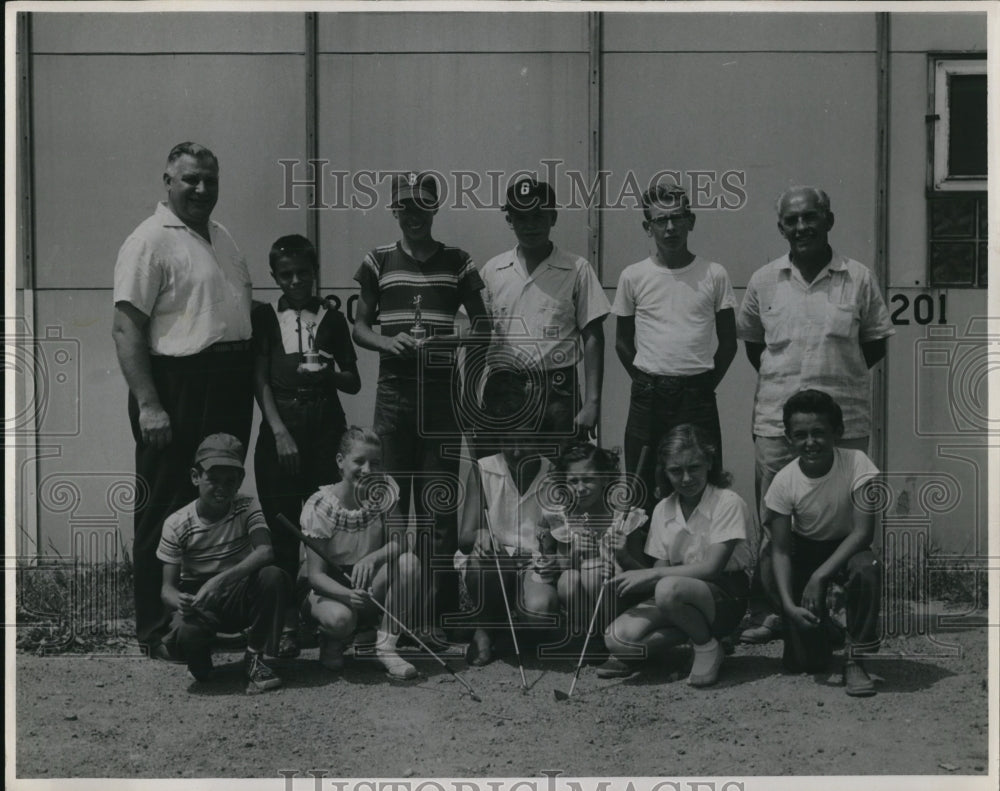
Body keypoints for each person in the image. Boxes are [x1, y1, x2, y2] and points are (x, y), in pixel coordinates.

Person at [112, 143, 255, 657]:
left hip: (228, 383)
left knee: (218, 503)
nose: (201, 190)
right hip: (177, 387)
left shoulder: (222, 237)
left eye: (210, 181)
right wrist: (149, 404)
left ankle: (205, 619)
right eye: (191, 180)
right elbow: (127, 327)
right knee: (166, 506)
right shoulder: (149, 240)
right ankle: (155, 629)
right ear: (167, 180)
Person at [736, 186, 894, 644]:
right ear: (780, 227)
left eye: (811, 217)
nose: (801, 227)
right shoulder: (764, 281)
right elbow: (754, 346)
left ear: (829, 219)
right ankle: (770, 608)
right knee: (775, 520)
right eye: (792, 220)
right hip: (776, 424)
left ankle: (841, 609)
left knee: (844, 522)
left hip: (842, 424)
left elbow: (875, 342)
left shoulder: (858, 278)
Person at [353, 171, 488, 642]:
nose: (413, 215)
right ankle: (392, 614)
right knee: (392, 506)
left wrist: (444, 341)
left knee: (438, 509)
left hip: (439, 395)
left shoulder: (458, 262)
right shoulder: (378, 261)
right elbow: (360, 327)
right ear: (394, 210)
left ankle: (438, 615)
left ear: (435, 209)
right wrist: (389, 344)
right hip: (393, 393)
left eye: (421, 206)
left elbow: (482, 329)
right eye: (404, 207)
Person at [252, 234, 360, 658]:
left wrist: (329, 375)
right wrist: (277, 429)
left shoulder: (332, 319)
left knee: (326, 528)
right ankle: (285, 625)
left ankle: (327, 619)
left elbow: (353, 381)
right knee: (283, 529)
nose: (295, 280)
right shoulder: (264, 319)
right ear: (274, 277)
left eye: (303, 272)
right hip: (282, 432)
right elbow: (258, 379)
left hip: (325, 431)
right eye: (286, 274)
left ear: (315, 272)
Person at [612, 182, 737, 515]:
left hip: (696, 395)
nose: (669, 228)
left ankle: (702, 562)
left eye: (677, 218)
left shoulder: (714, 274)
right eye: (660, 220)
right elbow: (622, 342)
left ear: (691, 221)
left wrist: (704, 383)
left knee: (702, 479)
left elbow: (728, 343)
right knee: (642, 483)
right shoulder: (633, 275)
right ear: (647, 226)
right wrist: (643, 380)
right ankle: (644, 562)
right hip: (648, 396)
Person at [602, 424, 752, 687]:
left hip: (726, 594)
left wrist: (652, 574)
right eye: (675, 470)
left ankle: (706, 646)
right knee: (617, 640)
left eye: (693, 467)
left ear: (709, 462)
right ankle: (697, 635)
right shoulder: (663, 508)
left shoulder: (728, 501)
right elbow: (658, 574)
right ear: (664, 471)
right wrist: (625, 557)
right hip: (676, 595)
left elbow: (711, 569)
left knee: (667, 589)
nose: (685, 478)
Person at [759, 390, 882, 696]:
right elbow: (782, 549)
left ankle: (856, 658)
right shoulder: (784, 481)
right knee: (805, 663)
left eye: (819, 433)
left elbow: (863, 533)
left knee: (868, 567)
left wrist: (820, 577)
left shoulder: (858, 463)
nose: (810, 442)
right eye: (800, 435)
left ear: (837, 433)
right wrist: (788, 606)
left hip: (847, 547)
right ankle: (825, 628)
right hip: (805, 549)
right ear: (789, 439)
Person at [478, 177, 610, 441]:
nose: (530, 226)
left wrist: (592, 402)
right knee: (497, 471)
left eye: (539, 216)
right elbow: (476, 334)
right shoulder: (493, 270)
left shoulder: (577, 268)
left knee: (561, 474)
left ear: (553, 217)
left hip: (557, 390)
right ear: (509, 220)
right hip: (504, 387)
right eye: (521, 217)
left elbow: (593, 336)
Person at [157, 433, 289, 693]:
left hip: (236, 592)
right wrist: (180, 601)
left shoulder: (246, 505)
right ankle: (197, 651)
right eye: (213, 479)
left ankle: (254, 657)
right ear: (196, 476)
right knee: (200, 667)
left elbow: (265, 551)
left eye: (230, 481)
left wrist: (220, 581)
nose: (222, 487)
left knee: (273, 576)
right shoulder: (177, 523)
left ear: (240, 480)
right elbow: (167, 590)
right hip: (201, 601)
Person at [301, 426, 422, 680]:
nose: (368, 470)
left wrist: (372, 558)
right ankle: (332, 639)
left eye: (375, 463)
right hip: (331, 587)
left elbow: (400, 543)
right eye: (359, 461)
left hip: (368, 579)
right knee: (341, 620)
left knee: (410, 563)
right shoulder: (321, 504)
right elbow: (315, 576)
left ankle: (386, 647)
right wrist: (348, 594)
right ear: (340, 462)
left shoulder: (384, 489)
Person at [458, 399, 562, 666]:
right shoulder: (483, 469)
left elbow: (560, 536)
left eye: (525, 441)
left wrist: (553, 558)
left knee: (540, 615)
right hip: (495, 559)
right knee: (486, 563)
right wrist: (481, 534)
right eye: (508, 442)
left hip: (533, 562)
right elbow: (465, 536)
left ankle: (515, 621)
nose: (516, 451)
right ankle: (486, 627)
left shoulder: (552, 473)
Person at [533, 442, 646, 637]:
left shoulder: (625, 519)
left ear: (605, 478)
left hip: (619, 598)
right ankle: (591, 635)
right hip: (582, 600)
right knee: (569, 579)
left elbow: (644, 573)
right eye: (573, 481)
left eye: (588, 479)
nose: (580, 488)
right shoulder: (564, 518)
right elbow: (560, 566)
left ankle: (613, 635)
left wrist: (625, 556)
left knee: (593, 574)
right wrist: (574, 554)